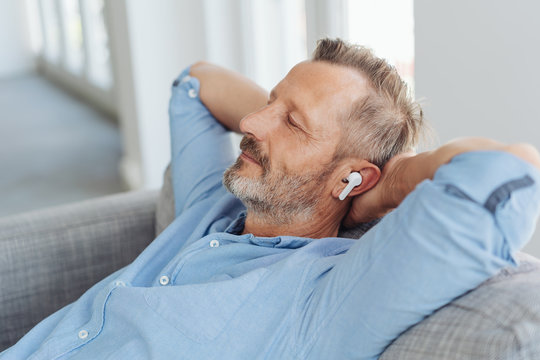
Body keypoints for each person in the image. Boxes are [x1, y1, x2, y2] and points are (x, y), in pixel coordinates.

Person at [2, 38, 540, 360]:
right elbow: (195, 82)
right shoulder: (212, 207)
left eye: (292, 123)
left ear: (353, 177)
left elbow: (507, 173)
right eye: (270, 101)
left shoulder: (328, 298)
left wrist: (387, 187)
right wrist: (288, 115)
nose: (250, 123)